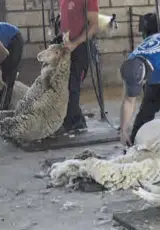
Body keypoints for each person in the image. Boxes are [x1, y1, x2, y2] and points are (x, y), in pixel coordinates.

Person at [55, 0, 99, 134]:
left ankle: (72, 123)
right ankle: (76, 121)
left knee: (72, 86)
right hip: (66, 45)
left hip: (81, 47)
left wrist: (76, 43)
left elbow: (94, 25)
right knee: (64, 85)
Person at [0, 21, 24, 112]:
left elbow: (4, 53)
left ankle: (1, 112)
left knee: (7, 79)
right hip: (2, 44)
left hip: (14, 40)